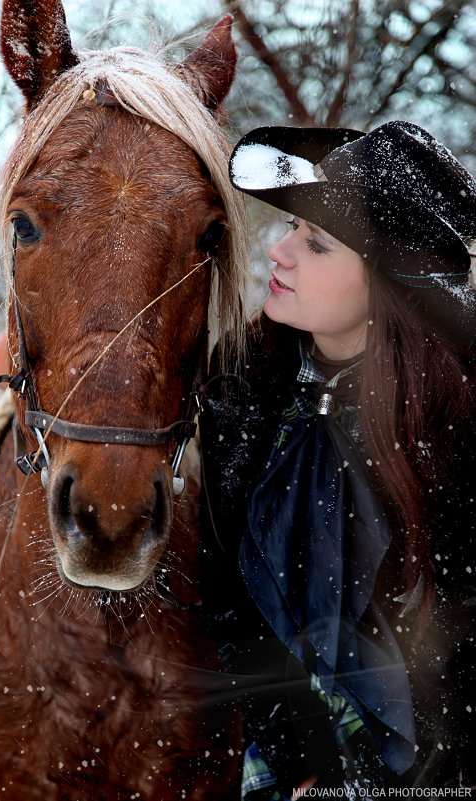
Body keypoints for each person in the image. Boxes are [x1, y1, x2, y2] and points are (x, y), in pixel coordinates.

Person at [198, 121, 476, 796]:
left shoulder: (453, 430)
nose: (279, 249)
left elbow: (458, 662)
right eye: (290, 228)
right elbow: (227, 596)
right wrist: (303, 750)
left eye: (315, 242)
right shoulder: (242, 395)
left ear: (385, 288)